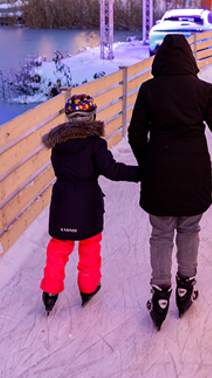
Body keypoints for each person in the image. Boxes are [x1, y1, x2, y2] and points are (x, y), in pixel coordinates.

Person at [128, 34, 212, 330]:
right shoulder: (203, 90)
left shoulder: (148, 90)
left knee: (160, 233)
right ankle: (185, 287)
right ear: (189, 59)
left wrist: (150, 162)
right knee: (189, 228)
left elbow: (135, 134)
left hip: (160, 175)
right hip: (195, 174)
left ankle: (160, 293)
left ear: (160, 61)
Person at [40, 94, 140, 314]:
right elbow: (112, 171)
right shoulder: (95, 144)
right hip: (87, 202)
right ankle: (88, 288)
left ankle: (49, 292)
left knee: (58, 248)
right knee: (89, 246)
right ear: (92, 117)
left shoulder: (57, 145)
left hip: (63, 201)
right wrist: (141, 173)